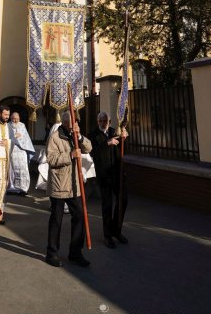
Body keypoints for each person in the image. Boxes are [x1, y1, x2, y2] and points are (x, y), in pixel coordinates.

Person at [45, 110, 92, 268]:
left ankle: (75, 252)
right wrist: (70, 155)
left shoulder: (75, 136)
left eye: (76, 122)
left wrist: (79, 137)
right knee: (56, 220)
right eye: (72, 123)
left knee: (79, 217)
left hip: (74, 185)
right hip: (59, 185)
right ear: (65, 123)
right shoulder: (55, 137)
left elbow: (89, 147)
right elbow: (51, 159)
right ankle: (51, 253)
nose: (75, 125)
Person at [90, 111, 129, 248]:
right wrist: (107, 143)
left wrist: (124, 138)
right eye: (100, 121)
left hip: (117, 173)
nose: (103, 123)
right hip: (104, 175)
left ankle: (116, 230)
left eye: (105, 121)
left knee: (123, 200)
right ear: (97, 122)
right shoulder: (93, 134)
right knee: (107, 205)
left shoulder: (114, 131)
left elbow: (123, 149)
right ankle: (107, 236)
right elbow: (93, 152)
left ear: (109, 121)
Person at [7, 112, 35, 194]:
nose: (15, 120)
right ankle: (11, 187)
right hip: (12, 150)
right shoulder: (7, 126)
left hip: (22, 150)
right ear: (11, 118)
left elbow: (26, 137)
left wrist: (20, 137)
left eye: (17, 119)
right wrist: (13, 137)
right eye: (13, 119)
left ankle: (23, 188)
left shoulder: (22, 125)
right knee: (11, 169)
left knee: (23, 169)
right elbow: (6, 138)